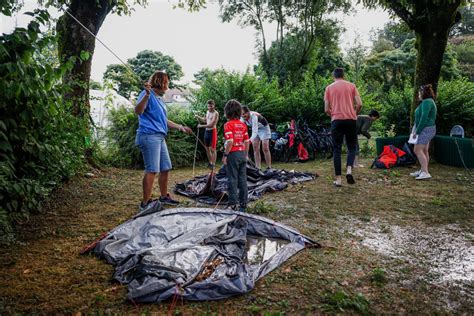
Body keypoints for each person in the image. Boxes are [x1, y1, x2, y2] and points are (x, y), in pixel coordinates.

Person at [135, 70, 192, 213]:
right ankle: (145, 202)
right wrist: (147, 95)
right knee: (152, 170)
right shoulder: (146, 94)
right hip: (149, 136)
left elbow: (163, 121)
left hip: (159, 137)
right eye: (167, 82)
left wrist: (180, 127)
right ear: (162, 82)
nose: (168, 85)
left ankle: (163, 197)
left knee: (165, 167)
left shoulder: (159, 99)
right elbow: (138, 111)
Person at [324, 67, 362, 187]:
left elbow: (326, 109)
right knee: (352, 147)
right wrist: (354, 114)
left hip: (337, 120)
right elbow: (360, 104)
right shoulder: (351, 86)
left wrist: (333, 115)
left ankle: (339, 179)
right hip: (351, 120)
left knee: (337, 149)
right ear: (343, 75)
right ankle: (349, 170)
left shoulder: (329, 88)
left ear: (333, 76)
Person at [223, 99, 250, 212]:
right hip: (242, 154)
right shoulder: (243, 125)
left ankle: (233, 203)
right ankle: (243, 203)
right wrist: (246, 155)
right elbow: (247, 141)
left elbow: (230, 142)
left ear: (227, 112)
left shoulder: (228, 125)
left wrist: (225, 155)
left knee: (232, 179)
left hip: (233, 155)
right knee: (242, 179)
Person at [410, 84, 437, 180]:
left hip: (426, 129)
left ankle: (425, 172)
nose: (418, 94)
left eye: (419, 92)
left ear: (423, 93)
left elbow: (424, 118)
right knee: (424, 150)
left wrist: (417, 132)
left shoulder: (427, 102)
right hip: (428, 128)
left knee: (417, 150)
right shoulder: (427, 102)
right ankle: (423, 170)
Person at [195, 99, 219, 169]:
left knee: (213, 149)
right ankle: (210, 163)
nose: (210, 107)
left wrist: (201, 126)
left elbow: (211, 124)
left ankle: (213, 164)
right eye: (208, 106)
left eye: (211, 106)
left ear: (214, 106)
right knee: (207, 148)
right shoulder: (207, 111)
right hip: (207, 131)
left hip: (212, 131)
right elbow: (205, 120)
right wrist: (198, 117)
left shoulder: (216, 113)